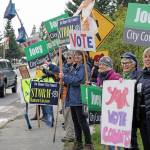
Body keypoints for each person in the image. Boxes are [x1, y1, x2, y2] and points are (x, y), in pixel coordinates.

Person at [60, 51, 94, 150]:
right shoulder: (74, 67)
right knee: (75, 122)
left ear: (83, 56)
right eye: (75, 55)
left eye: (79, 55)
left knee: (82, 122)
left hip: (80, 98)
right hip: (73, 99)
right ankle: (78, 142)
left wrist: (65, 77)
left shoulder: (84, 67)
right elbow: (66, 73)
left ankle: (88, 143)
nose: (77, 57)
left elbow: (77, 81)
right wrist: (62, 74)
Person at [96, 56, 121, 150]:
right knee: (106, 135)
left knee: (114, 137)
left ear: (109, 66)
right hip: (104, 109)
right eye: (100, 64)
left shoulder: (115, 76)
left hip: (114, 112)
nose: (101, 66)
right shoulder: (100, 76)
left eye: (104, 64)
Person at [121, 52, 142, 150]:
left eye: (127, 63)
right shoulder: (125, 75)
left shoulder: (139, 75)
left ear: (134, 63)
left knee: (132, 140)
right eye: (123, 63)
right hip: (125, 112)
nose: (124, 65)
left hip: (134, 112)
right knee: (126, 139)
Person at [134, 47, 150, 149]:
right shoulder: (141, 75)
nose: (147, 59)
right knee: (146, 144)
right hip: (142, 116)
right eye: (145, 56)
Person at [61, 52, 75, 143]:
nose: (68, 59)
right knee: (65, 114)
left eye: (70, 57)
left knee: (69, 115)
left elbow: (71, 79)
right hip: (65, 94)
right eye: (67, 58)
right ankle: (68, 134)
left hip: (71, 95)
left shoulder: (73, 68)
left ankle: (70, 135)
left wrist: (64, 78)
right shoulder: (66, 67)